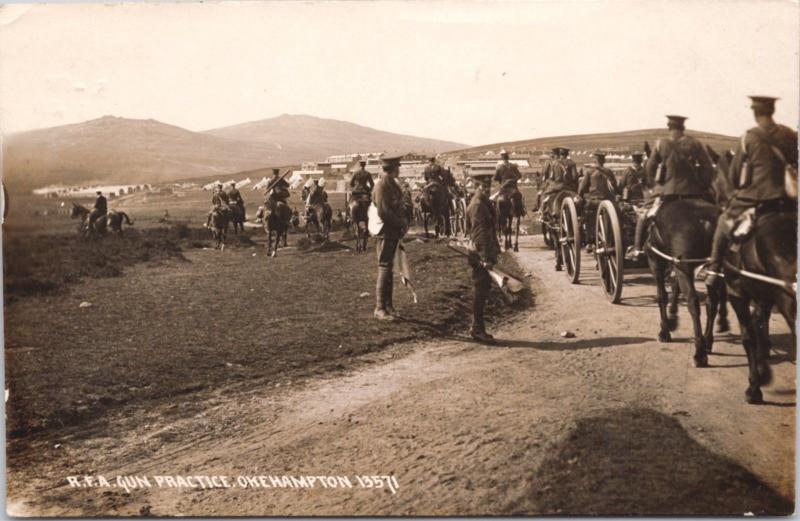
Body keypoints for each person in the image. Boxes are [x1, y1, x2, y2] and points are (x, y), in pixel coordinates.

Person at [705, 96, 798, 286]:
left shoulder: (749, 137)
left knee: (723, 221)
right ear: (772, 112)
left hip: (758, 197)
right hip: (790, 198)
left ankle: (714, 268)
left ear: (755, 113)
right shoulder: (789, 134)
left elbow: (734, 173)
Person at [626, 115, 714, 260]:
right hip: (694, 194)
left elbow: (650, 168)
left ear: (669, 128)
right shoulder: (695, 143)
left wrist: (657, 186)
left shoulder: (662, 144)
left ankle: (638, 249)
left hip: (668, 194)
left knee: (643, 215)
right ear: (683, 128)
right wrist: (702, 186)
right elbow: (707, 168)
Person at [372, 154, 409, 321]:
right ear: (393, 168)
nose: (399, 169)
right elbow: (384, 212)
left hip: (392, 231)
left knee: (389, 267)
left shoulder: (391, 184)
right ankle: (380, 308)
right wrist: (400, 223)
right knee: (384, 267)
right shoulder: (382, 186)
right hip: (385, 232)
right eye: (398, 167)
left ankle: (388, 306)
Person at [465, 170, 501, 343]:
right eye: (482, 186)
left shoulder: (482, 202)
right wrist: (485, 257)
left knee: (483, 290)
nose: (486, 189)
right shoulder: (478, 205)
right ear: (475, 186)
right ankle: (477, 329)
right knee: (480, 290)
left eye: (488, 186)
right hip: (480, 255)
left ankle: (477, 327)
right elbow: (480, 234)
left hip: (483, 253)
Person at [578, 151, 618, 253]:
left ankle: (589, 241)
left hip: (595, 202)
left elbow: (582, 189)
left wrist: (581, 195)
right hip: (609, 203)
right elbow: (616, 188)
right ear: (603, 161)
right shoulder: (609, 172)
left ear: (595, 160)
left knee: (586, 216)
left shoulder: (590, 172)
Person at [493, 149, 525, 215]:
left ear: (502, 158)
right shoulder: (513, 166)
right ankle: (520, 211)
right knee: (519, 196)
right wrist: (514, 179)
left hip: (503, 189)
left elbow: (496, 178)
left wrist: (501, 181)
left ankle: (495, 212)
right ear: (508, 158)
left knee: (495, 198)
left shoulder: (499, 167)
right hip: (513, 188)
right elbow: (519, 175)